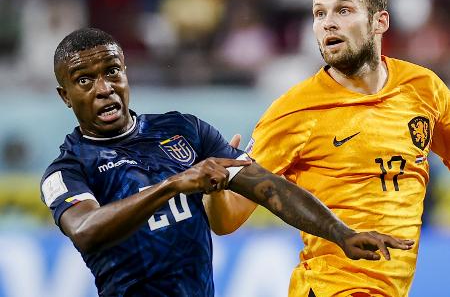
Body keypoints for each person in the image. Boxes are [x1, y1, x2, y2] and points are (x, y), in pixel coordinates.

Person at [40, 27, 413, 297]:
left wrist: (340, 233)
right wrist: (174, 184)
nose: (104, 88)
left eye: (112, 72)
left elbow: (266, 186)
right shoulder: (68, 170)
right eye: (85, 80)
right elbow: (86, 229)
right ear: (65, 96)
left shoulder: (183, 130)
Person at [204, 0, 450, 297]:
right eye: (319, 14)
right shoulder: (294, 111)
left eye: (343, 10)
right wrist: (217, 187)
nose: (327, 23)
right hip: (329, 289)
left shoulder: (423, 88)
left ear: (380, 22)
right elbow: (227, 219)